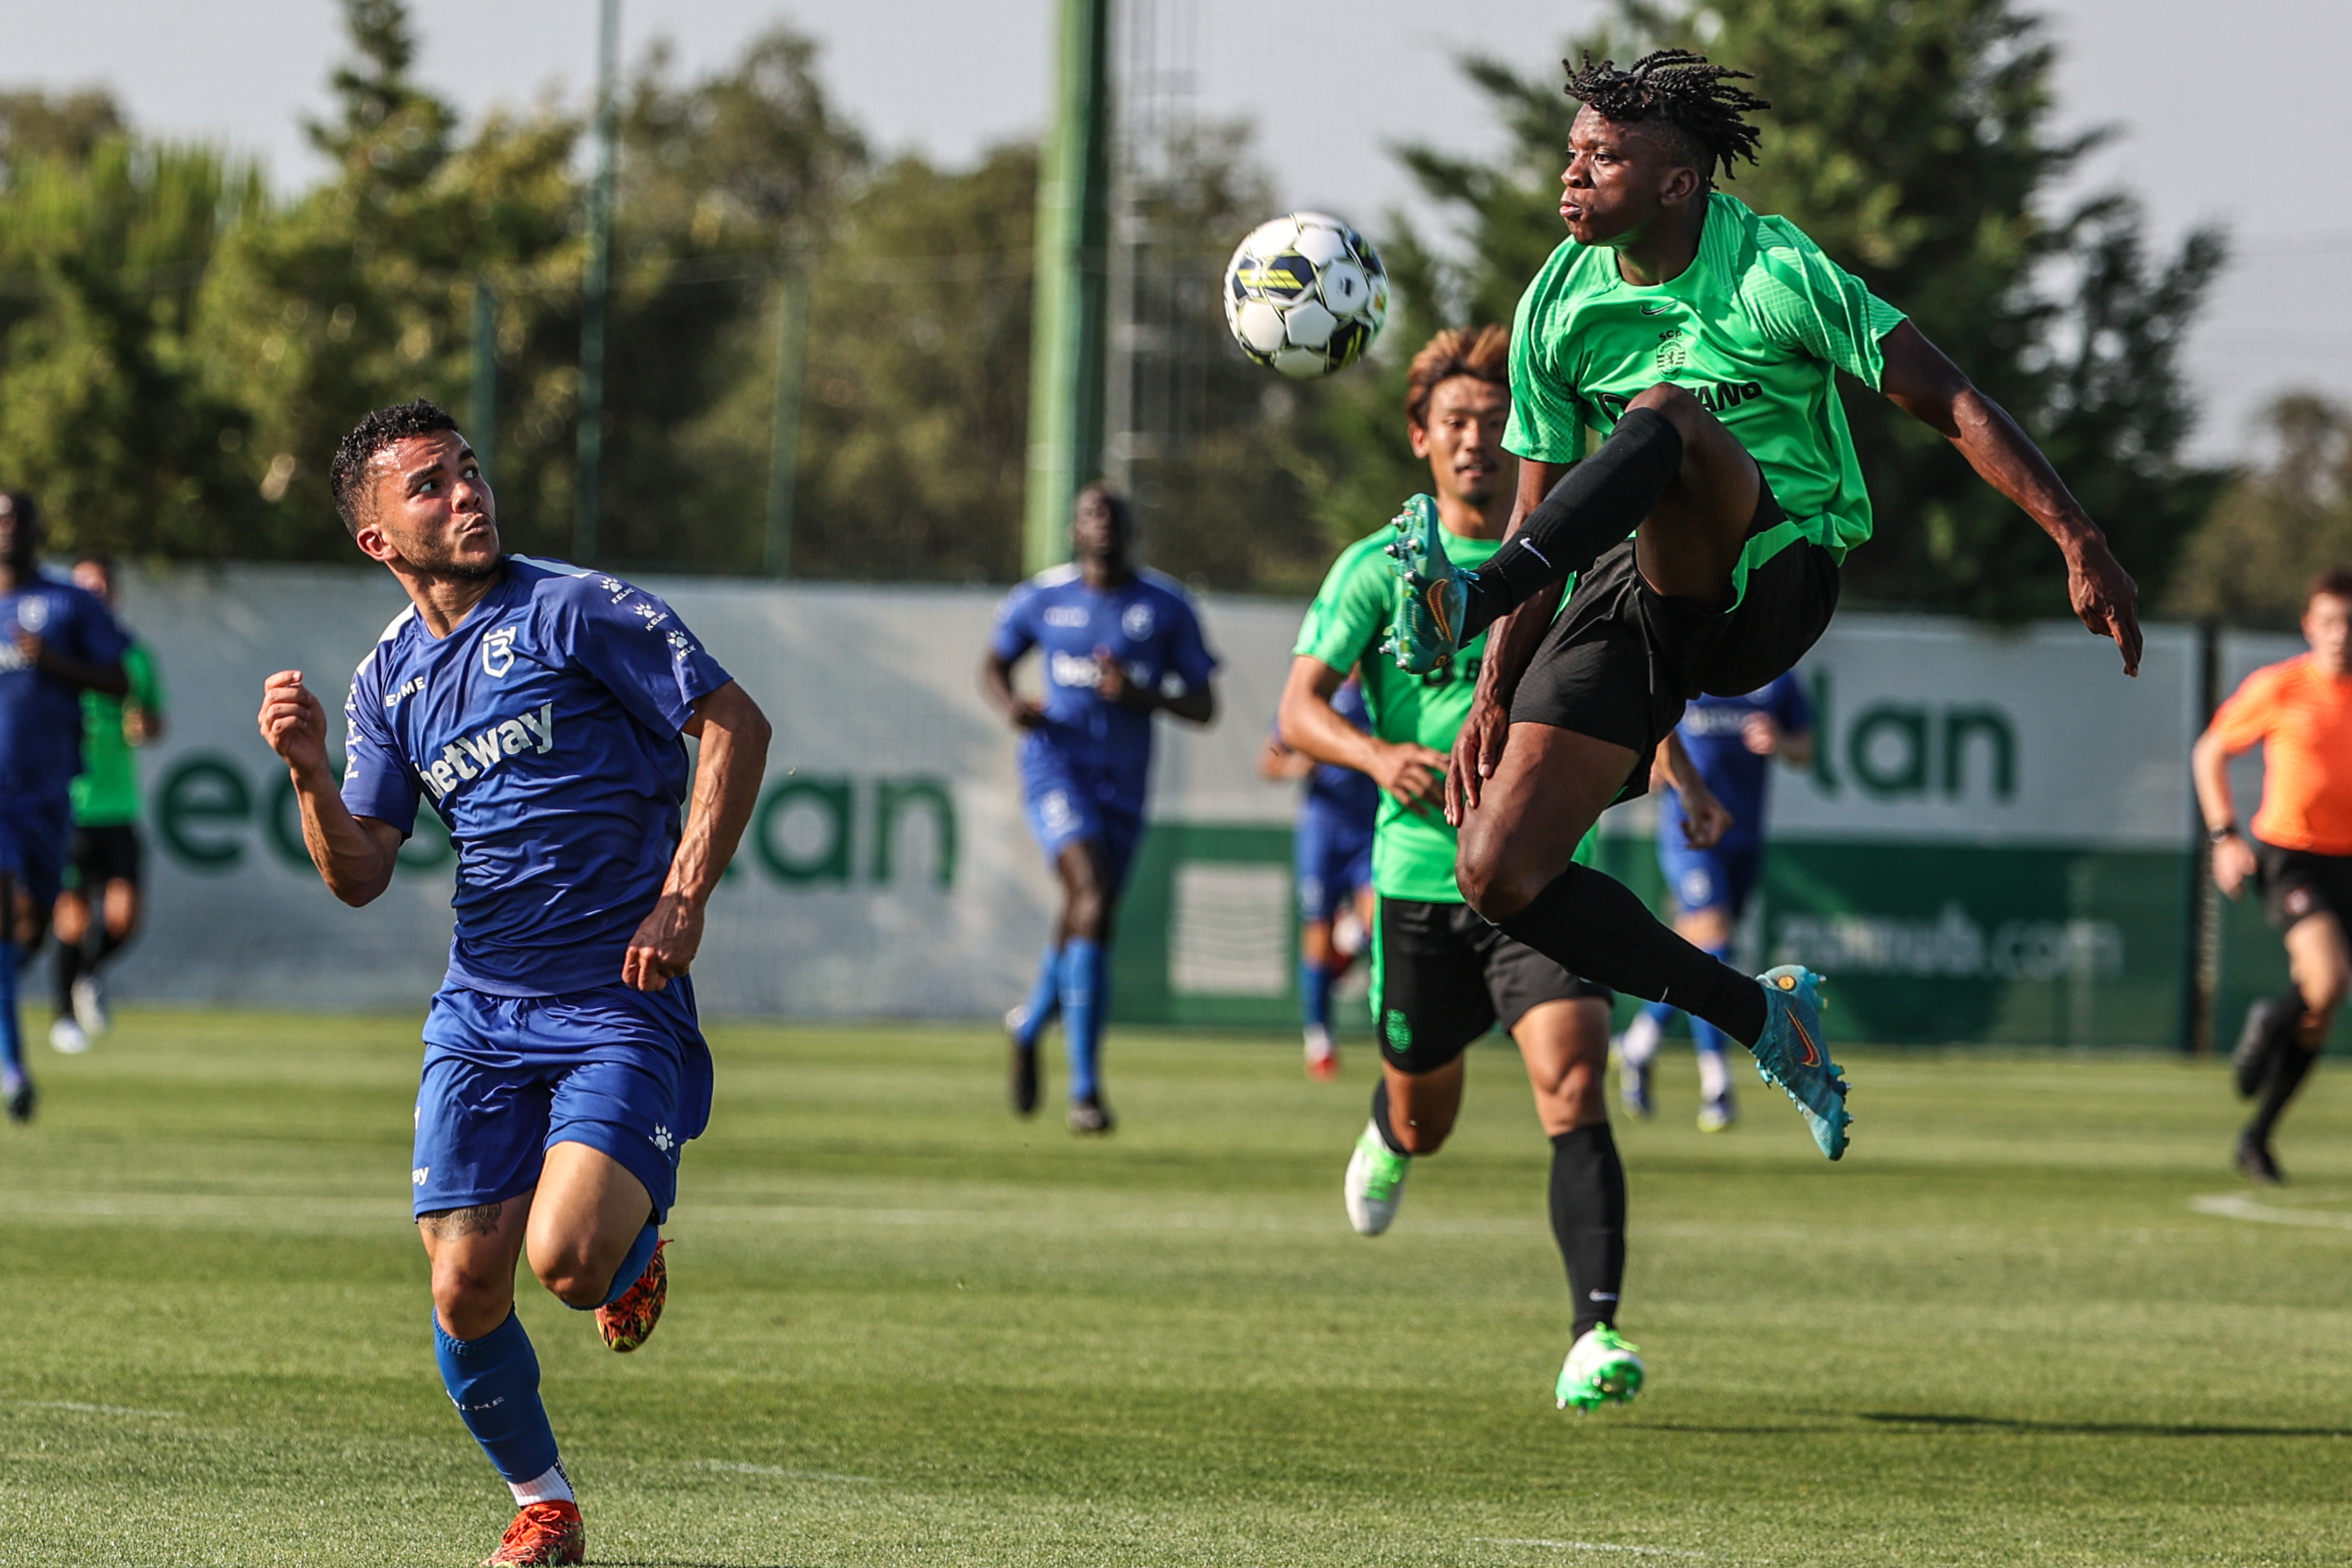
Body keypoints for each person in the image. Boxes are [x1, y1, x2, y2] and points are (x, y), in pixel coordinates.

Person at [1383, 50, 2142, 1160]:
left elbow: (1951, 397)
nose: (1572, 175)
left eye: (1604, 156)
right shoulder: (1558, 297)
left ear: (1680, 183)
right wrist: (1495, 683)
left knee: (1672, 414)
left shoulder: (1773, 267)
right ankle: (1764, 1017)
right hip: (1634, 584)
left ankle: (1464, 601)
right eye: (1571, 152)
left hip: (1778, 574)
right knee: (1499, 871)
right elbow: (1538, 508)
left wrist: (2080, 538)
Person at [256, 400, 770, 1568]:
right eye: (430, 485)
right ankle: (546, 1505)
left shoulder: (575, 607)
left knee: (570, 1261)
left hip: (613, 996)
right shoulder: (388, 681)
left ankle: (632, 1252)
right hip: (482, 1009)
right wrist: (305, 776)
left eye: (469, 471)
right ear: (379, 539)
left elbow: (733, 722)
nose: (468, 494)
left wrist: (684, 894)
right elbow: (362, 874)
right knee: (462, 1287)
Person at [1278, 325, 1728, 1412]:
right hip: (1420, 886)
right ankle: (1391, 1129)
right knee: (1428, 1117)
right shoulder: (1380, 567)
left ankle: (1594, 1334)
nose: (1478, 442)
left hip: (1534, 878)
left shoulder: (1559, 553)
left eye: (1494, 423)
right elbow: (1296, 712)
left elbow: (1606, 688)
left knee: (1574, 1083)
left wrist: (1676, 767)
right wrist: (1379, 754)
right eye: (1457, 425)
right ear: (1422, 439)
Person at [982, 486, 1219, 1133]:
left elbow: (1204, 706)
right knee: (1087, 894)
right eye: (1092, 516)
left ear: (1130, 530)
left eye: (1114, 517)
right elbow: (995, 663)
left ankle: (1029, 1023)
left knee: (1090, 913)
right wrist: (1013, 708)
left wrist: (1142, 694)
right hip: (1056, 770)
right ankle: (1085, 1092)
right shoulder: (1044, 596)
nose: (1103, 527)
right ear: (1074, 531)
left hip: (1126, 785)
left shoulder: (1166, 605)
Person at [2193, 571, 2352, 1184]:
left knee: (2318, 1011)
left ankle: (2256, 1138)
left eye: (2351, 623)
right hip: (2293, 857)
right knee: (2328, 979)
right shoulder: (2281, 688)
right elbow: (2210, 752)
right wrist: (2223, 837)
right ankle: (2266, 1021)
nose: (2341, 635)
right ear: (2310, 626)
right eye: (2330, 621)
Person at [1616, 673, 1812, 1129]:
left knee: (1703, 955)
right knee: (1716, 946)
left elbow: (1805, 749)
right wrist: (1665, 773)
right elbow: (1657, 736)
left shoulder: (1775, 676)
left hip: (1744, 836)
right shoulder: (1688, 668)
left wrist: (1780, 741)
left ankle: (1639, 1044)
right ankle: (1717, 1085)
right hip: (1690, 832)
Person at [0, 494, 129, 1124]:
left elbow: (118, 681)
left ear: (35, 529)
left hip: (51, 793)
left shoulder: (67, 604)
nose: (7, 529)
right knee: (5, 914)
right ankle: (13, 1068)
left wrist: (48, 661)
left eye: (17, 518)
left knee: (33, 923)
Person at [48, 552, 166, 1055]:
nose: (91, 596)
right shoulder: (52, 656)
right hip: (68, 805)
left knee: (123, 919)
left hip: (118, 807)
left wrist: (146, 725)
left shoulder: (132, 656)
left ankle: (89, 977)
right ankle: (62, 1018)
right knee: (71, 918)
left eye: (99, 588)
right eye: (83, 588)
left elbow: (154, 720)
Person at [1259, 674, 1378, 1078]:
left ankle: (1350, 940)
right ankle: (1320, 1038)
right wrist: (1295, 765)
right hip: (1322, 829)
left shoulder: (1384, 689)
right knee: (1316, 930)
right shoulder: (1310, 694)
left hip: (1370, 828)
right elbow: (1270, 761)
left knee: (1378, 927)